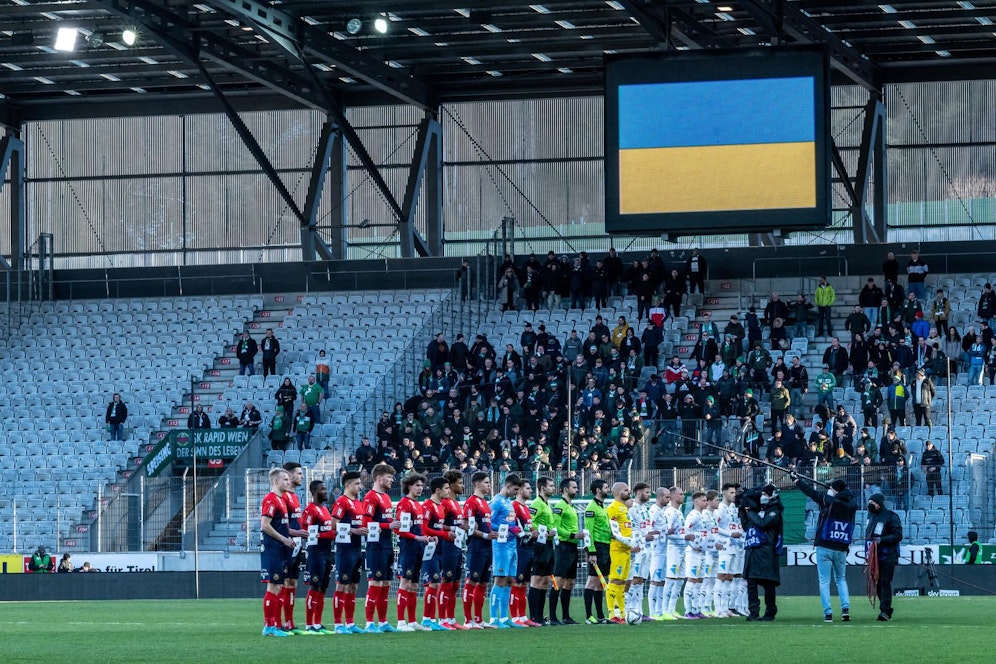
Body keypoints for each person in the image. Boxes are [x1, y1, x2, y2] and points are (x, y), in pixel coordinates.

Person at [794, 476, 856, 622]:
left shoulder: (828, 501)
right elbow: (846, 498)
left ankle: (828, 612)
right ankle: (845, 609)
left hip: (825, 546)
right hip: (841, 547)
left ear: (835, 491)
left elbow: (810, 492)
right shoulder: (852, 505)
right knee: (841, 579)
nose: (828, 490)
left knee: (824, 581)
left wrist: (797, 481)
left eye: (831, 488)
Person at [327, 471, 368, 634]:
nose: (360, 486)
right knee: (342, 586)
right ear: (347, 485)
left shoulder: (359, 503)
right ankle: (338, 624)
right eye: (357, 483)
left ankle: (350, 623)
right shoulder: (341, 502)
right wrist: (354, 531)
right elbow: (333, 525)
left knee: (353, 587)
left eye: (360, 483)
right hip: (344, 550)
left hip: (357, 549)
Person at [394, 472, 435, 632]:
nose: (420, 488)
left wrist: (428, 537)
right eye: (417, 485)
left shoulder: (418, 504)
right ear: (409, 486)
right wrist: (418, 538)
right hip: (408, 549)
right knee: (405, 583)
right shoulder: (405, 503)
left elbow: (419, 529)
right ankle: (400, 621)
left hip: (418, 549)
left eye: (421, 485)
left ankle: (412, 621)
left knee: (414, 585)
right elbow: (401, 530)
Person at [362, 463, 400, 632]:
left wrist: (393, 525)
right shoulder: (371, 497)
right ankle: (370, 623)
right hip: (375, 545)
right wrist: (388, 526)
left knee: (385, 583)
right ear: (379, 478)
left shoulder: (386, 497)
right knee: (375, 583)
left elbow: (385, 521)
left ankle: (383, 622)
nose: (392, 480)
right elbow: (366, 523)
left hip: (387, 544)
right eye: (389, 477)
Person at [260, 467, 295, 636]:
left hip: (281, 550)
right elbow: (265, 525)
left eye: (289, 480)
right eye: (285, 480)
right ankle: (269, 627)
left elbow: (281, 526)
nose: (289, 482)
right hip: (273, 550)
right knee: (273, 586)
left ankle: (274, 625)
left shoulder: (282, 500)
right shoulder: (271, 499)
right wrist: (284, 539)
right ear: (275, 481)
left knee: (278, 586)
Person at [741, 484, 783, 622]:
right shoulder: (757, 510)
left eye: (765, 494)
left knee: (768, 585)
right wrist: (743, 510)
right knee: (751, 584)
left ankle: (770, 612)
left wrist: (751, 512)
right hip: (752, 551)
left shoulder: (775, 511)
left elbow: (763, 523)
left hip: (767, 552)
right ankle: (753, 612)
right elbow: (747, 527)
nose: (762, 497)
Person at [488, 474, 523, 628]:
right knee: (500, 579)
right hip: (500, 545)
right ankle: (493, 618)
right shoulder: (496, 502)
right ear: (507, 485)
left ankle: (504, 617)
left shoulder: (509, 502)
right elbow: (488, 523)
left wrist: (517, 529)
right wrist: (509, 528)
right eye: (515, 489)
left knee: (509, 580)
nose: (516, 493)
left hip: (512, 544)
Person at [462, 471, 497, 629]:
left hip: (487, 547)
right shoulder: (471, 502)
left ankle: (478, 619)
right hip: (476, 547)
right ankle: (467, 620)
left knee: (483, 583)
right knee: (472, 582)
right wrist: (485, 535)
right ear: (476, 484)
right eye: (486, 482)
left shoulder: (485, 503)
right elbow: (467, 526)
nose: (489, 485)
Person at [300, 479, 335, 634]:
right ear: (314, 491)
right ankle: (309, 625)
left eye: (326, 489)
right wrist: (328, 534)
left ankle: (318, 623)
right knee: (315, 587)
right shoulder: (310, 510)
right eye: (322, 489)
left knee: (323, 588)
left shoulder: (325, 509)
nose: (325, 491)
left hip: (327, 553)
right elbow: (305, 532)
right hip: (316, 554)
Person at [279, 462, 308, 634]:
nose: (301, 477)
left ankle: (289, 622)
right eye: (298, 473)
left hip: (296, 544)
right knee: (280, 584)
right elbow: (280, 525)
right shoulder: (283, 497)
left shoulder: (295, 497)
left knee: (292, 582)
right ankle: (276, 622)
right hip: (285, 544)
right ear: (289, 475)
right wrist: (296, 533)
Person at [865, 492, 903, 621]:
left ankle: (885, 611)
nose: (870, 505)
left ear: (879, 504)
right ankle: (886, 609)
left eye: (873, 503)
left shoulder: (891, 516)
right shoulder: (870, 517)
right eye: (869, 502)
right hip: (874, 557)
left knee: (884, 582)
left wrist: (882, 540)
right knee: (877, 584)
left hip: (888, 556)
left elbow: (898, 535)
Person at [438, 470, 467, 629]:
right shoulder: (445, 503)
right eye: (460, 483)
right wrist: (454, 528)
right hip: (447, 546)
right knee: (447, 581)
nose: (462, 486)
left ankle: (450, 619)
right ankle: (442, 619)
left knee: (455, 584)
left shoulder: (456, 503)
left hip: (457, 546)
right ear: (451, 484)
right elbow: (437, 524)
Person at [552, 478, 583, 625]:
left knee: (570, 582)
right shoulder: (559, 506)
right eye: (574, 487)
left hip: (572, 546)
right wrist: (572, 535)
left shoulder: (570, 506)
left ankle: (566, 616)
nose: (576, 490)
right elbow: (555, 526)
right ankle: (552, 616)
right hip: (564, 546)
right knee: (558, 580)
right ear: (565, 489)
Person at [604, 481, 636, 622]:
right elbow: (611, 530)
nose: (629, 492)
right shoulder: (613, 508)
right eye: (626, 490)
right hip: (617, 548)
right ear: (617, 493)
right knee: (615, 580)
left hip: (627, 550)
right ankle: (612, 613)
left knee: (623, 582)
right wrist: (624, 541)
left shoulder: (624, 508)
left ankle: (622, 613)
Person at [716, 483, 746, 617]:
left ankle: (727, 607)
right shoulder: (719, 509)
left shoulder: (734, 508)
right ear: (724, 493)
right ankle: (718, 608)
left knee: (731, 577)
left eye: (735, 493)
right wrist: (730, 535)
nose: (734, 495)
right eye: (732, 493)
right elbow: (715, 527)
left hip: (736, 546)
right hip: (724, 546)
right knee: (722, 576)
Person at [584, 479, 612, 624]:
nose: (608, 489)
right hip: (598, 548)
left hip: (606, 546)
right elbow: (588, 531)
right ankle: (589, 616)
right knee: (592, 581)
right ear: (598, 490)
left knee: (601, 582)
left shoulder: (602, 507)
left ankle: (600, 616)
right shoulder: (591, 507)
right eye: (606, 487)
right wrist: (592, 552)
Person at [511, 479, 537, 626]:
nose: (531, 491)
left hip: (529, 549)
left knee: (524, 583)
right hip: (519, 549)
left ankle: (522, 616)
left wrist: (536, 533)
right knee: (517, 582)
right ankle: (515, 617)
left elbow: (527, 528)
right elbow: (512, 527)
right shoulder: (514, 506)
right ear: (519, 490)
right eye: (528, 488)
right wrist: (527, 534)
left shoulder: (526, 508)